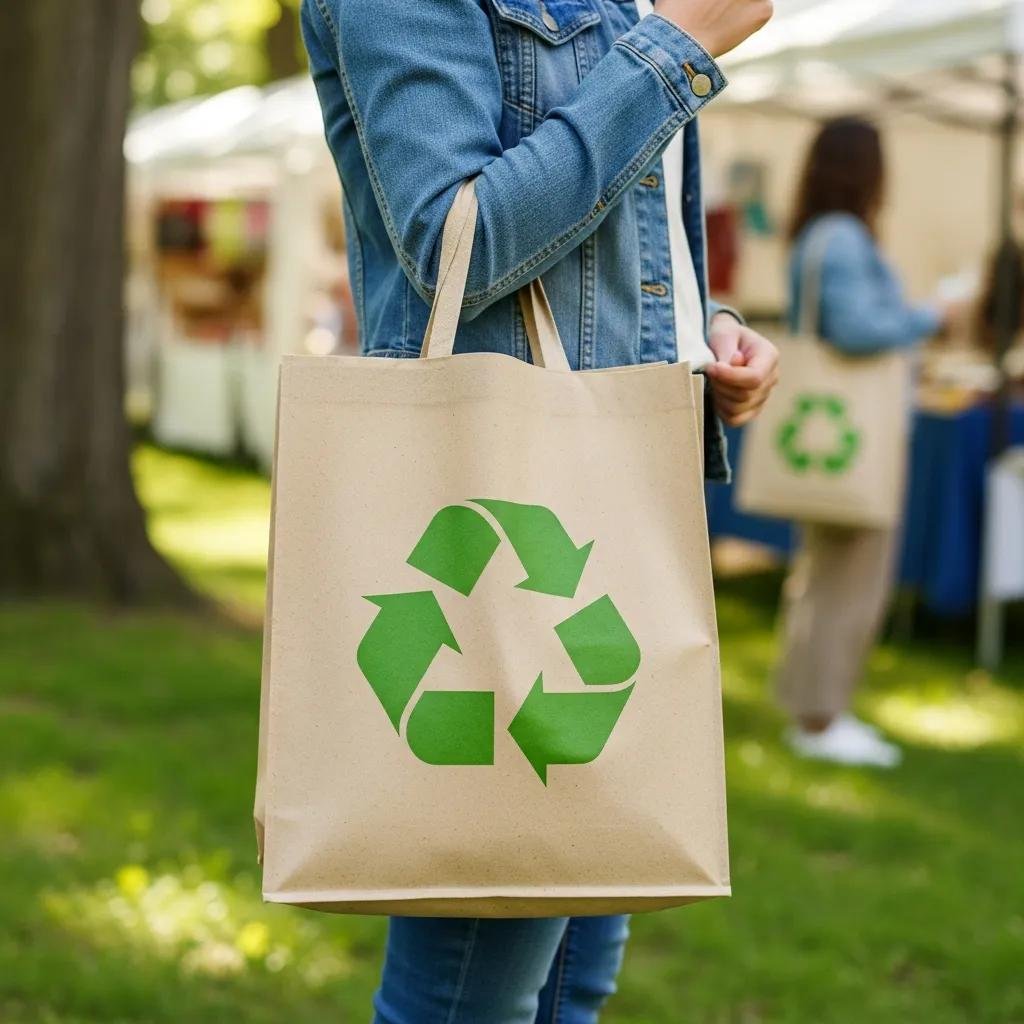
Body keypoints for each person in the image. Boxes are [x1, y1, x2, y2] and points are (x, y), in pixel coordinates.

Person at [300, 0, 777, 1020]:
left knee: (573, 980)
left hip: (616, 503)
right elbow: (454, 239)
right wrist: (671, 53)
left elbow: (601, 239)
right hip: (495, 503)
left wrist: (704, 330)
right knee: (473, 990)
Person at [777, 116, 956, 769]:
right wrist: (928, 317)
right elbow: (855, 329)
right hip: (858, 434)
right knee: (851, 578)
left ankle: (811, 709)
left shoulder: (813, 236)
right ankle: (822, 720)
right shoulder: (846, 237)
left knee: (822, 576)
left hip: (823, 431)